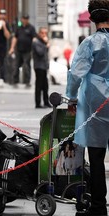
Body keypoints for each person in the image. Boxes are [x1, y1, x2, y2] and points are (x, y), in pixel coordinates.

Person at [66, 1, 109, 215]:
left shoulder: (91, 43)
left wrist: (71, 98)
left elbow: (76, 74)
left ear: (91, 18)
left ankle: (99, 207)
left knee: (97, 157)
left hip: (96, 103)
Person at [9, 14, 36, 88]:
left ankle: (27, 82)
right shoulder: (19, 28)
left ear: (28, 20)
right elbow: (15, 38)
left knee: (26, 66)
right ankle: (15, 81)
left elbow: (34, 39)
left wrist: (34, 48)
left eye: (26, 19)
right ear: (22, 19)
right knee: (16, 65)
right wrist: (12, 48)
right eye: (24, 19)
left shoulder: (31, 28)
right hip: (18, 50)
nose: (25, 20)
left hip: (27, 51)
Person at [32, 27, 51, 108]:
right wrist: (46, 46)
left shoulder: (42, 42)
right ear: (39, 33)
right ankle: (38, 103)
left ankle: (46, 102)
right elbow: (40, 53)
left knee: (45, 85)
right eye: (42, 33)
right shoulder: (36, 42)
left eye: (45, 33)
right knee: (39, 85)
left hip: (44, 66)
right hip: (39, 66)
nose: (44, 35)